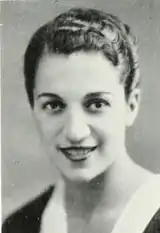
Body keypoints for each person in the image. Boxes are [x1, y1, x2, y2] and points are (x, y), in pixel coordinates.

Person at [2, 7, 160, 233]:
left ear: (131, 105)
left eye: (96, 104)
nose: (75, 132)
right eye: (54, 105)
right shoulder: (19, 226)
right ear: (33, 108)